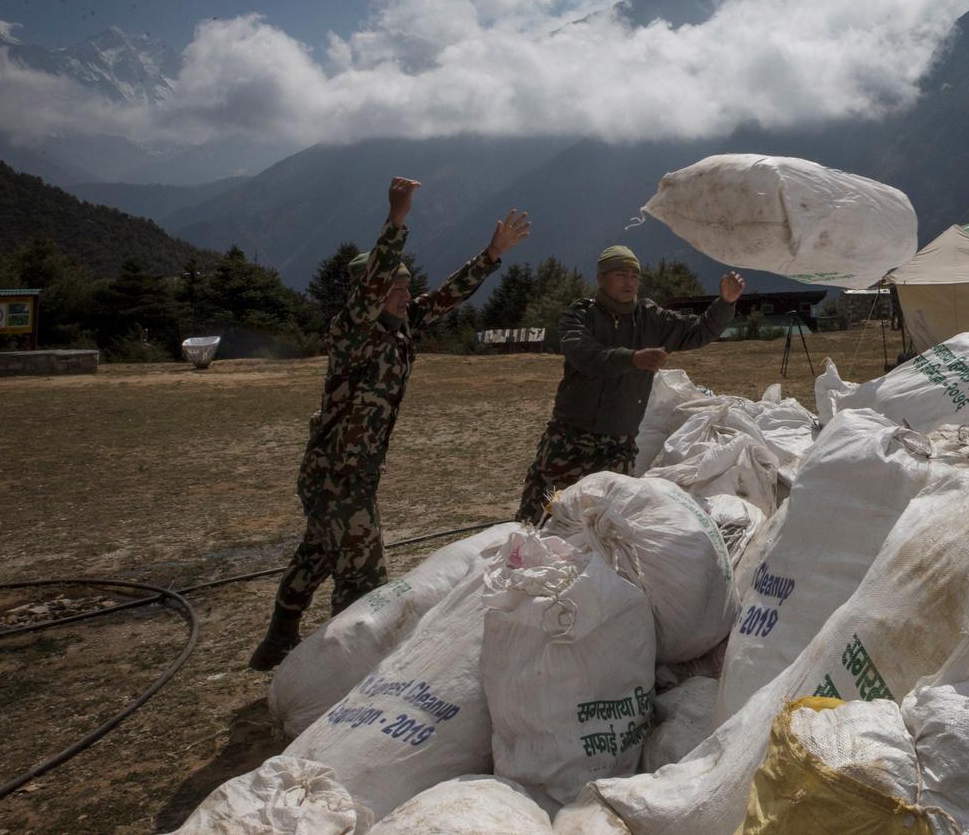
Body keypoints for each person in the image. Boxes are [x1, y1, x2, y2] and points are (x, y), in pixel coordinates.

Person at [249, 176, 531, 671]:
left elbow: (447, 296)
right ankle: (350, 676)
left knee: (318, 550)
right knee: (362, 580)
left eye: (406, 286)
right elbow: (371, 287)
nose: (404, 295)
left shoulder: (401, 325)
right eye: (392, 288)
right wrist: (395, 223)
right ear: (369, 294)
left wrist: (490, 254)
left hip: (348, 475)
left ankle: (278, 637)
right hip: (337, 476)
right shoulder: (352, 332)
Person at [514, 247, 744, 523]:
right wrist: (632, 358)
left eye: (634, 276)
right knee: (543, 515)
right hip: (569, 441)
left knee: (604, 524)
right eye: (621, 275)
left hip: (618, 446)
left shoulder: (651, 317)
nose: (629, 282)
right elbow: (584, 355)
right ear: (601, 278)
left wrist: (725, 303)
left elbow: (697, 332)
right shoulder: (580, 315)